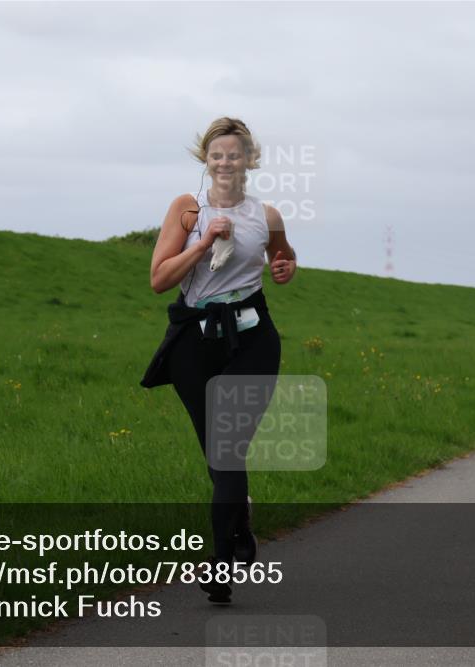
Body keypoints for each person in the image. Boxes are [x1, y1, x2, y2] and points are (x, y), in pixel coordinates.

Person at [140, 117, 297, 604]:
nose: (224, 162)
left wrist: (285, 267)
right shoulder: (187, 210)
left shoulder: (266, 215)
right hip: (194, 340)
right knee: (218, 452)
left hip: (252, 339)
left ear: (249, 160)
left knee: (227, 447)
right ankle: (240, 522)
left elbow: (284, 257)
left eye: (234, 154)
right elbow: (159, 279)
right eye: (216, 154)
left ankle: (221, 562)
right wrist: (205, 242)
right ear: (205, 160)